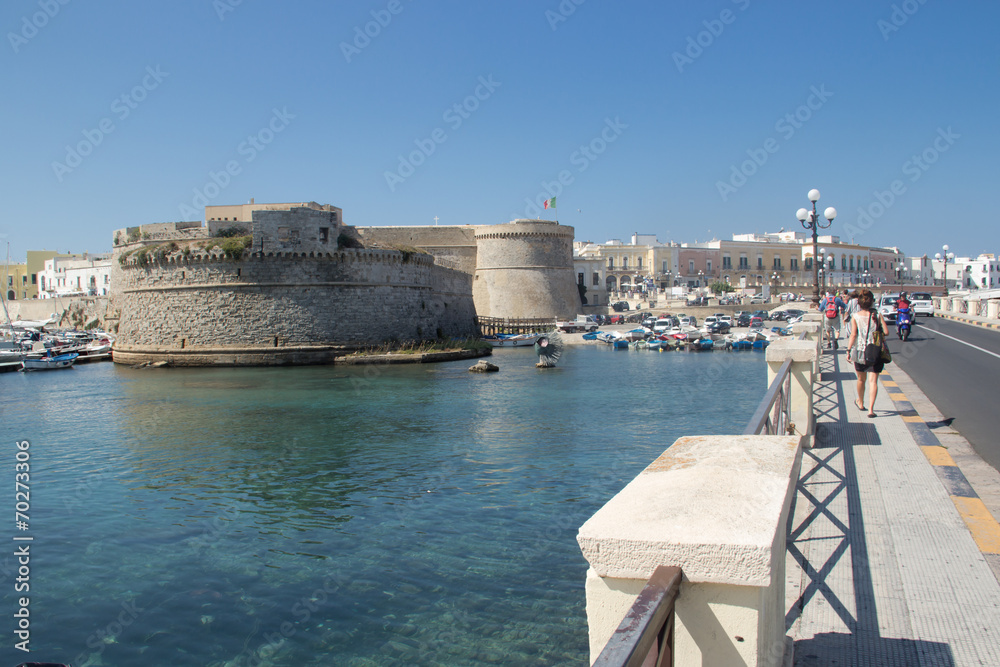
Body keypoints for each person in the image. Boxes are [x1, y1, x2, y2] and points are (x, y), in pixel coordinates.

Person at [847, 288, 889, 418]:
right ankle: (871, 410)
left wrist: (848, 350)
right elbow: (886, 332)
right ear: (872, 302)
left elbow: (853, 335)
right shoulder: (877, 315)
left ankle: (860, 402)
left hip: (860, 351)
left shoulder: (855, 316)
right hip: (875, 351)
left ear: (859, 303)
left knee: (861, 379)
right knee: (873, 381)